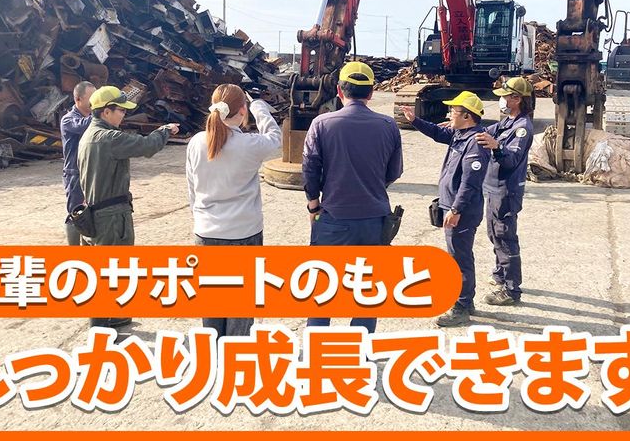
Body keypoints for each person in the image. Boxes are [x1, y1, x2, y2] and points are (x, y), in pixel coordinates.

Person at [302, 61, 403, 334]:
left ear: (339, 90)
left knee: (323, 292)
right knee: (367, 292)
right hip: (375, 221)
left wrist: (313, 205)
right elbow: (394, 172)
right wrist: (371, 186)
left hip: (333, 219)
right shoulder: (388, 125)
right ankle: (361, 350)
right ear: (371, 92)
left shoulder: (322, 124)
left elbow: (309, 169)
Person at [78, 85, 179, 329]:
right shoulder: (109, 138)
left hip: (93, 214)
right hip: (111, 217)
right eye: (121, 111)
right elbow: (146, 146)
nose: (124, 115)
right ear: (106, 111)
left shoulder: (88, 136)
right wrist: (164, 131)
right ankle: (100, 329)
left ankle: (111, 318)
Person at [186, 84, 282, 338]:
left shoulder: (196, 142)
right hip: (244, 233)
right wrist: (259, 106)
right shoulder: (250, 144)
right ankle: (235, 353)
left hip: (206, 233)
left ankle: (213, 352)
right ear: (242, 110)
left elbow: (192, 189)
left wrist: (201, 219)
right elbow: (275, 136)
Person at [401, 91, 490, 327]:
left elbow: (470, 182)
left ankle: (461, 307)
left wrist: (456, 209)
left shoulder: (476, 143)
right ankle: (466, 301)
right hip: (454, 207)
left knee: (459, 259)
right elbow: (437, 132)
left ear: (467, 116)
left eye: (454, 111)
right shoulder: (460, 135)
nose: (450, 114)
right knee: (459, 255)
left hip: (463, 211)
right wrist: (414, 120)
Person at [475, 76, 534, 306]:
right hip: (494, 188)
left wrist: (497, 146)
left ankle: (511, 290)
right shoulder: (508, 122)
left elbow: (511, 160)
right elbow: (485, 131)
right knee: (494, 234)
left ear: (516, 99)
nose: (501, 100)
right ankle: (500, 274)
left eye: (505, 96)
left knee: (505, 237)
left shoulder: (522, 128)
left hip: (507, 192)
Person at [60, 81, 95, 246]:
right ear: (78, 99)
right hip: (75, 172)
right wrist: (101, 112)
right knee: (75, 212)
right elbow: (82, 126)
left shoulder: (92, 118)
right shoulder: (68, 120)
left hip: (91, 171)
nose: (94, 101)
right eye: (91, 98)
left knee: (91, 212)